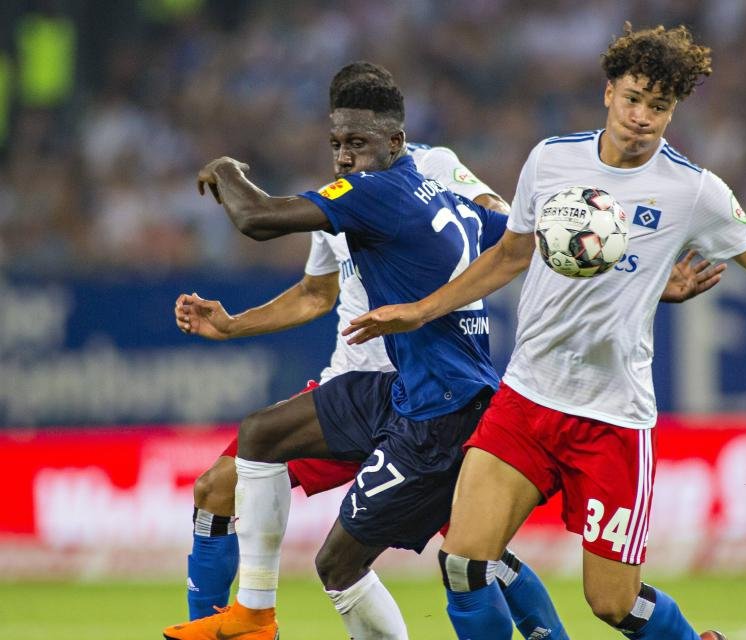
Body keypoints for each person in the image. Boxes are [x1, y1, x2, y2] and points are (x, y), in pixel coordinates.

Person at [344, 23, 746, 640]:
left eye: (659, 107)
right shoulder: (550, 160)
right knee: (463, 562)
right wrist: (422, 309)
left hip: (612, 420)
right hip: (526, 401)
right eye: (634, 98)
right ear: (609, 92)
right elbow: (509, 256)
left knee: (612, 604)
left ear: (673, 112)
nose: (642, 117)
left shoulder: (693, 192)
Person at [163, 68, 571, 640]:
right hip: (366, 383)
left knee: (472, 550)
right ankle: (237, 621)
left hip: (430, 393)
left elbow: (502, 225)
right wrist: (233, 326)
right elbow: (315, 294)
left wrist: (429, 304)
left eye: (355, 140)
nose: (343, 153)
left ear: (394, 136)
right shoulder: (338, 196)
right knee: (228, 476)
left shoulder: (429, 170)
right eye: (336, 141)